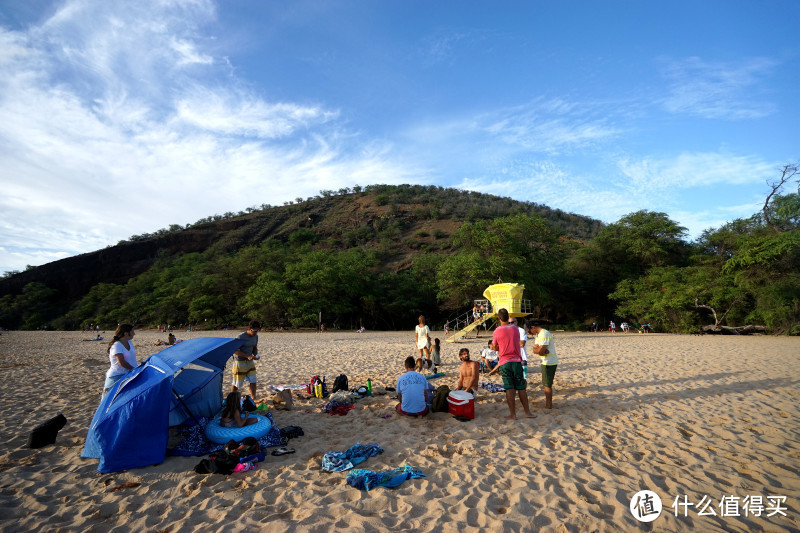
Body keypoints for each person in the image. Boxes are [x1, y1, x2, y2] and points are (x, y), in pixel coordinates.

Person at [489, 308, 534, 420]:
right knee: (521, 388)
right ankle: (527, 412)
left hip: (505, 361)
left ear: (499, 318)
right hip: (517, 360)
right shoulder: (515, 329)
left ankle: (513, 414)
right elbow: (518, 342)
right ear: (508, 316)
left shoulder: (497, 331)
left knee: (509, 389)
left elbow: (495, 347)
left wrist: (499, 346)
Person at [527, 321, 558, 409]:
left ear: (533, 327)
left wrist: (541, 351)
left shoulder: (545, 334)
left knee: (547, 384)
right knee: (546, 384)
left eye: (529, 331)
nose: (530, 333)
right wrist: (541, 351)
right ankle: (548, 404)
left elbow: (540, 351)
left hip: (549, 362)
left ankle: (549, 405)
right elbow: (535, 351)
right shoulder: (538, 335)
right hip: (545, 361)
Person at [103, 324, 137, 394]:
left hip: (128, 374)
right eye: (132, 331)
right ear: (126, 333)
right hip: (116, 376)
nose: (134, 333)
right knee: (109, 401)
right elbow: (122, 362)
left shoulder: (129, 342)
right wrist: (134, 369)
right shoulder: (116, 345)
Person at [231, 320, 261, 398]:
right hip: (239, 362)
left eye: (257, 331)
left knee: (253, 381)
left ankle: (253, 398)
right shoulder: (240, 337)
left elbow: (254, 347)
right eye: (254, 331)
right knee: (237, 383)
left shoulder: (256, 336)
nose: (255, 333)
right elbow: (234, 350)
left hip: (250, 362)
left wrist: (256, 354)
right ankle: (232, 399)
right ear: (249, 329)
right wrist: (247, 356)